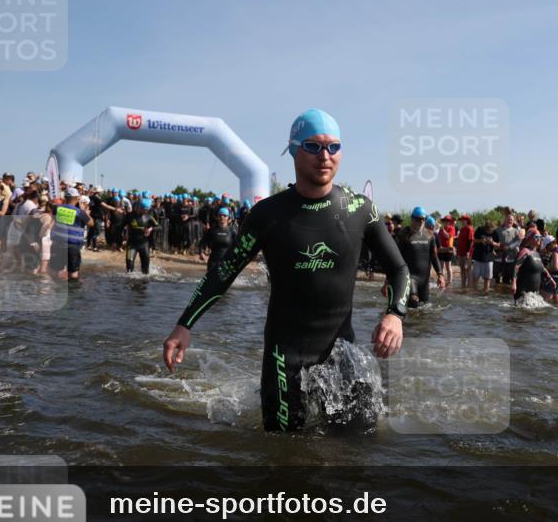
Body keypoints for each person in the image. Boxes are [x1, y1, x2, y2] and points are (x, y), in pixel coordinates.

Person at [163, 108, 410, 433]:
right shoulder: (267, 214)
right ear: (294, 150)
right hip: (285, 356)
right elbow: (223, 273)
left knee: (358, 444)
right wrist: (184, 325)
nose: (325, 156)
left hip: (342, 351)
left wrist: (395, 314)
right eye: (313, 146)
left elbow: (399, 269)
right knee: (283, 452)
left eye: (333, 147)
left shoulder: (360, 209)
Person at [393, 207, 445, 308]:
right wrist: (389, 280)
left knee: (424, 307)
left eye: (423, 219)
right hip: (409, 277)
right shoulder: (403, 234)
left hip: (424, 280)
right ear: (412, 219)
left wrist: (440, 275)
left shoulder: (430, 235)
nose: (420, 222)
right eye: (418, 219)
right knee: (413, 303)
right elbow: (395, 257)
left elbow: (434, 256)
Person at [49, 187, 92, 280]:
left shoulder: (57, 209)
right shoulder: (79, 212)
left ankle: (54, 291)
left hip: (58, 244)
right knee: (73, 274)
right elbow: (91, 223)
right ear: (77, 199)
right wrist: (84, 210)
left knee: (54, 272)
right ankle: (73, 292)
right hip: (72, 246)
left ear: (65, 197)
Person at [198, 206, 237, 273]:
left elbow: (238, 244)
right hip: (213, 262)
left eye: (224, 215)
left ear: (228, 218)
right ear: (217, 217)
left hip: (227, 263)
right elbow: (202, 242)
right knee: (211, 282)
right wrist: (201, 253)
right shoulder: (212, 230)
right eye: (220, 215)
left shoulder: (232, 231)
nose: (222, 217)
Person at [124, 197, 158, 274]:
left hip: (144, 244)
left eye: (147, 210)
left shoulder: (149, 216)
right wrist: (117, 241)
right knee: (129, 268)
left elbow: (159, 226)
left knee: (145, 270)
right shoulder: (129, 216)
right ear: (139, 207)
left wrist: (150, 229)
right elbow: (120, 227)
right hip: (132, 245)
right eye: (144, 209)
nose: (145, 211)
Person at [511, 231, 546, 302]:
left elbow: (543, 269)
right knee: (522, 312)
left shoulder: (537, 253)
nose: (539, 239)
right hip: (523, 293)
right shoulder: (524, 251)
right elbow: (516, 266)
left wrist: (551, 280)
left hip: (534, 294)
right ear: (529, 239)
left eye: (540, 237)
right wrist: (514, 283)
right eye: (536, 237)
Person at [471, 219, 500, 292]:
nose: (490, 232)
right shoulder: (480, 229)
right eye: (489, 231)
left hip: (489, 258)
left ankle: (485, 294)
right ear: (485, 228)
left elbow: (498, 245)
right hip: (478, 257)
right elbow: (474, 240)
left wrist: (492, 242)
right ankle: (474, 293)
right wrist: (481, 240)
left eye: (491, 230)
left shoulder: (495, 232)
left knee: (487, 278)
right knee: (475, 277)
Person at [497, 214, 522, 285]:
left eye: (511, 220)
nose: (509, 221)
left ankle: (507, 294)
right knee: (497, 278)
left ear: (513, 221)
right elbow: (494, 239)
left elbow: (519, 241)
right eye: (508, 219)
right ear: (505, 220)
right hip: (499, 257)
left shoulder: (516, 231)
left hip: (512, 258)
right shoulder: (499, 230)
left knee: (509, 278)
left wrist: (510, 247)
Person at [436, 214, 456, 287]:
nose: (446, 222)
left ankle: (450, 282)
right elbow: (438, 238)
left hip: (448, 250)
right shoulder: (440, 230)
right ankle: (442, 280)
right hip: (441, 249)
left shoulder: (451, 228)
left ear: (450, 222)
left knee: (448, 266)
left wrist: (443, 230)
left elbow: (448, 236)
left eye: (447, 221)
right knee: (441, 266)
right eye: (444, 221)